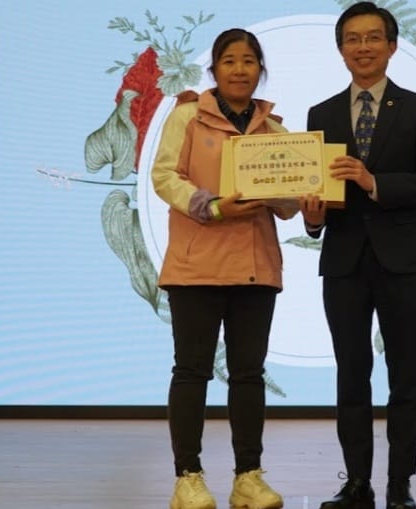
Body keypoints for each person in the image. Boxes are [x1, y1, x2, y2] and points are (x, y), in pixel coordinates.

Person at [299, 1, 416, 509]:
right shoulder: (320, 114)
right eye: (352, 39)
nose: (362, 47)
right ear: (341, 49)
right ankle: (357, 483)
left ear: (392, 46)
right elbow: (316, 192)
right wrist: (313, 217)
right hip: (343, 262)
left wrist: (373, 182)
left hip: (403, 261)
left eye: (372, 38)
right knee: (351, 375)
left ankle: (399, 484)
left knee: (405, 376)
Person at [152, 28, 295, 509]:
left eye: (249, 61)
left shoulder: (275, 131)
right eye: (229, 60)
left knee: (249, 375)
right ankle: (187, 478)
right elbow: (164, 176)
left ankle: (247, 478)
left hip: (255, 265)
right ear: (213, 69)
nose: (239, 69)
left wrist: (299, 195)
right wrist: (212, 206)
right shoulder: (187, 116)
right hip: (195, 265)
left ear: (260, 70)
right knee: (192, 372)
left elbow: (289, 204)